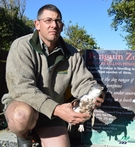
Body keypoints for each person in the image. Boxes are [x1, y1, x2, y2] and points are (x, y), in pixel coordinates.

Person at [1, 4, 104, 147]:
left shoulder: (72, 53)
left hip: (53, 115)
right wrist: (56, 108)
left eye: (58, 21)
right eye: (48, 20)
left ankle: (41, 131)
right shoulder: (21, 46)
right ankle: (24, 136)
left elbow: (83, 81)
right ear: (37, 24)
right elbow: (21, 88)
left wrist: (93, 93)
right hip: (25, 105)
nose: (53, 25)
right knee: (21, 116)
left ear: (62, 26)